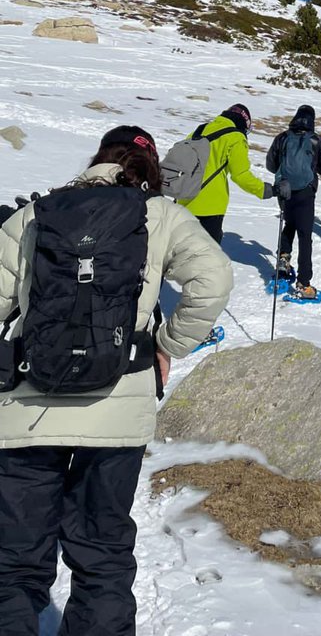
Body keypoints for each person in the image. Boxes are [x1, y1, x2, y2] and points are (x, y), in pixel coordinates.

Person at [0, 125, 233, 636]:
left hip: (26, 411)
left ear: (98, 160)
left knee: (13, 563)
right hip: (118, 409)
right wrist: (167, 348)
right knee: (102, 554)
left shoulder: (38, 214)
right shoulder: (163, 216)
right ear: (150, 170)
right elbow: (214, 278)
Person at [181, 103, 273, 245]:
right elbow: (240, 175)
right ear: (244, 122)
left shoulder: (200, 130)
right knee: (205, 259)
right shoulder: (236, 137)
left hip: (184, 200)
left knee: (181, 254)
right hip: (210, 207)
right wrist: (265, 190)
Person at [266, 104, 321, 298]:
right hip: (305, 191)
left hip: (284, 189)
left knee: (289, 224)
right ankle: (304, 283)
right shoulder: (316, 140)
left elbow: (271, 164)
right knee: (305, 235)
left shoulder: (282, 137)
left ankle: (283, 261)